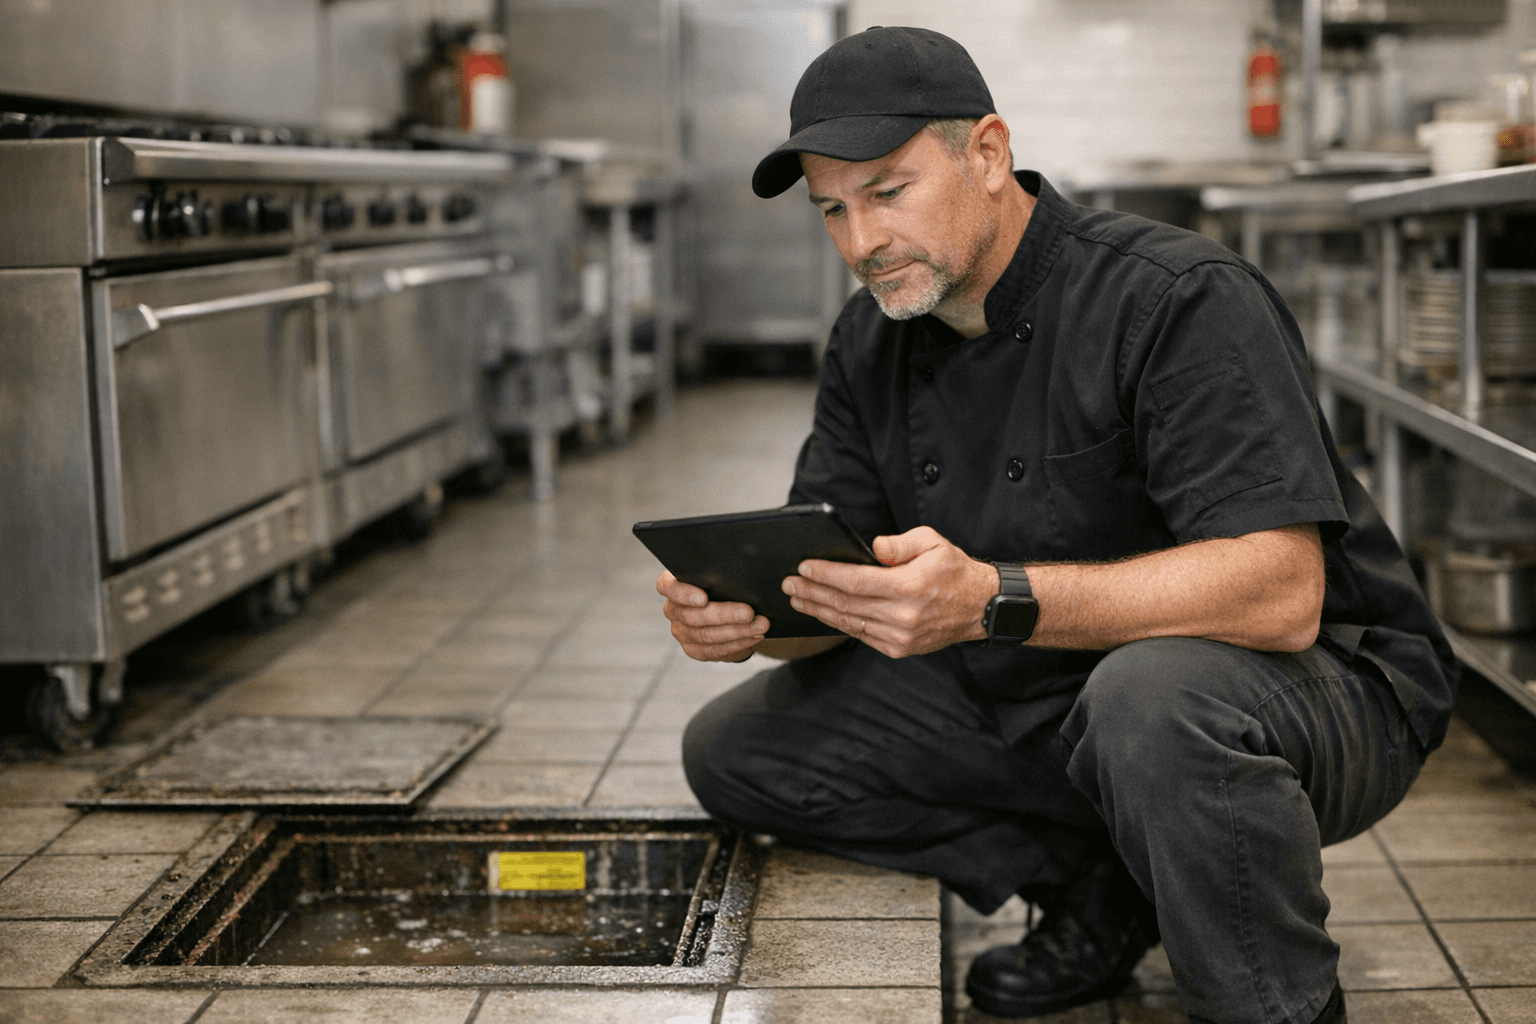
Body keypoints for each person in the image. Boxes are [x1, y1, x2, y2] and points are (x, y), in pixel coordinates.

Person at [655, 25, 1456, 1024]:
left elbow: (1284, 593)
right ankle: (1100, 882)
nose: (862, 243)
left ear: (986, 154)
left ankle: (1276, 1007)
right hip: (1049, 681)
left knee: (1152, 699)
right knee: (741, 749)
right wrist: (754, 617)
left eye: (889, 192)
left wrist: (992, 599)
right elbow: (839, 573)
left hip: (1318, 688)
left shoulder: (1174, 299)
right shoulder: (871, 337)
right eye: (834, 210)